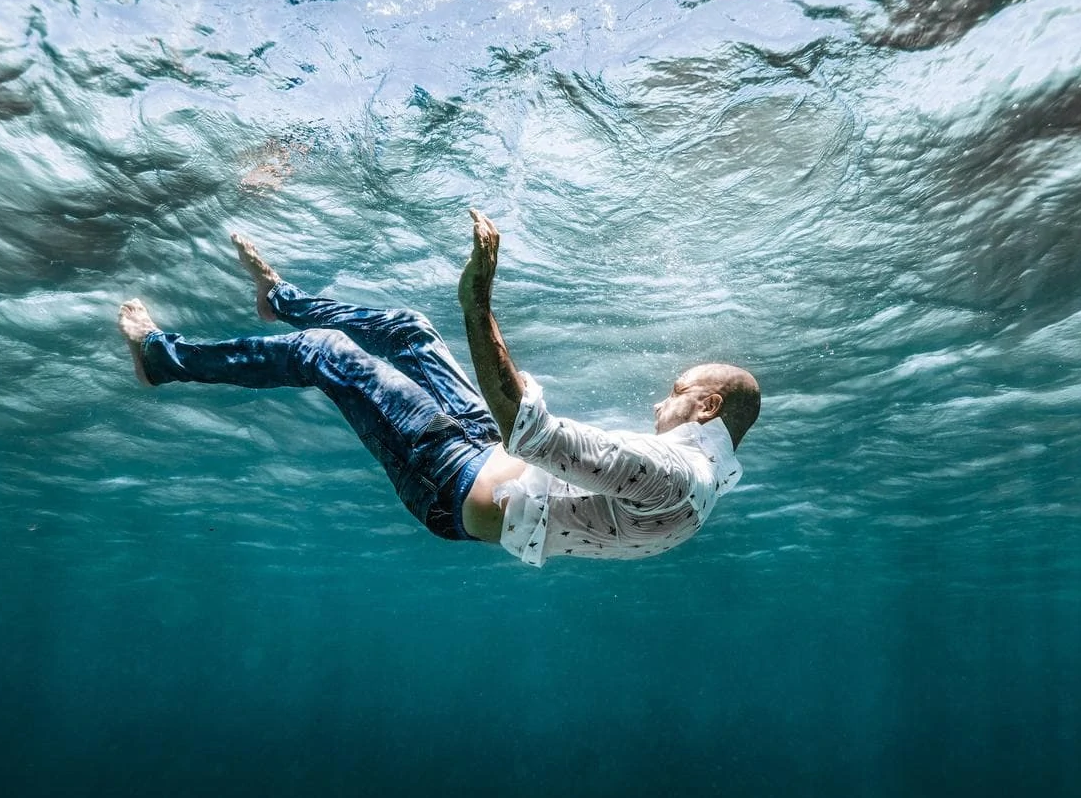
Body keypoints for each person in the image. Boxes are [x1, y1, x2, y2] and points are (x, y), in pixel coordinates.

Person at [116, 210, 760, 567]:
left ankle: (159, 358)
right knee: (411, 330)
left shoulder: (678, 474)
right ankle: (279, 299)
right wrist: (523, 404)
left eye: (676, 391)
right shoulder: (700, 489)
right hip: (482, 450)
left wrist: (477, 301)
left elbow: (528, 431)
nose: (659, 401)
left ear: (706, 406)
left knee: (327, 354)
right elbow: (553, 475)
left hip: (450, 479)